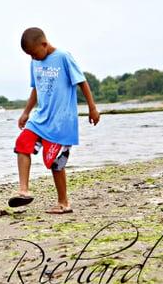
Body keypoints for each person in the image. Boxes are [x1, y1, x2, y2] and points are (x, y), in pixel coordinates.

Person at [9, 27, 100, 214]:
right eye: (29, 56)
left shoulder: (63, 57)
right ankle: (24, 191)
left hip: (61, 121)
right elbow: (36, 88)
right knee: (22, 144)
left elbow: (82, 82)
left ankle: (64, 203)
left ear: (44, 44)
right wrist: (26, 112)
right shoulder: (34, 63)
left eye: (34, 54)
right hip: (40, 118)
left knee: (54, 161)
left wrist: (92, 108)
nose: (33, 58)